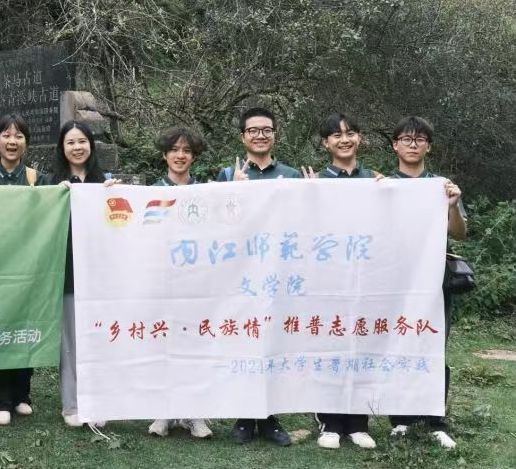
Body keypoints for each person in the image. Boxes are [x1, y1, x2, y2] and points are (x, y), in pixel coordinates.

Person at [216, 107, 297, 446]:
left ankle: (270, 418)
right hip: (241, 275)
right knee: (243, 341)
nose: (260, 135)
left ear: (275, 134)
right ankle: (244, 418)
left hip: (279, 273)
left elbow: (303, 220)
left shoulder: (291, 175)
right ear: (242, 137)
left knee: (274, 343)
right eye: (253, 130)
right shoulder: (228, 174)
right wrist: (232, 192)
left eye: (266, 130)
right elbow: (219, 224)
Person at [387, 116, 465, 449]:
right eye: (406, 139)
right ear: (395, 145)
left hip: (433, 280)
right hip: (394, 280)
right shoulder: (384, 185)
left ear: (428, 147)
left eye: (419, 139)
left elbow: (460, 232)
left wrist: (453, 206)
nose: (413, 144)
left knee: (433, 346)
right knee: (397, 345)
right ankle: (401, 420)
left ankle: (436, 421)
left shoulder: (441, 185)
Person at [312, 113, 380, 449]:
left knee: (362, 346)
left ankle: (358, 423)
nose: (344, 140)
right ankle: (330, 422)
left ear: (360, 138)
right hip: (329, 277)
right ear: (326, 143)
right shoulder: (316, 181)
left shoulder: (376, 180)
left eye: (350, 133)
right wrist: (307, 195)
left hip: (366, 276)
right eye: (336, 135)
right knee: (331, 346)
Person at [46, 120, 116, 428]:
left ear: (91, 145)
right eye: (70, 142)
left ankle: (99, 403)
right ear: (62, 148)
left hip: (102, 274)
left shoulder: (107, 182)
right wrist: (54, 197)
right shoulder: (52, 184)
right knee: (70, 342)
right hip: (68, 272)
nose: (77, 147)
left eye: (82, 141)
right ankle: (72, 404)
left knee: (100, 340)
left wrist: (118, 194)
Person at [146, 126, 213, 439]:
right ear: (164, 155)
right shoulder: (151, 193)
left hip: (197, 283)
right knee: (163, 346)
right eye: (174, 150)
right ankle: (163, 411)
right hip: (162, 281)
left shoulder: (206, 194)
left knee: (195, 347)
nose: (180, 155)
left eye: (187, 150)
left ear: (194, 156)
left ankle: (194, 414)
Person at [0, 114, 43, 425]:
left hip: (26, 266)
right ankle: (0, 398)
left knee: (23, 326)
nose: (12, 141)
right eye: (6, 135)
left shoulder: (35, 178)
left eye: (18, 136)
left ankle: (22, 393)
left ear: (26, 143)